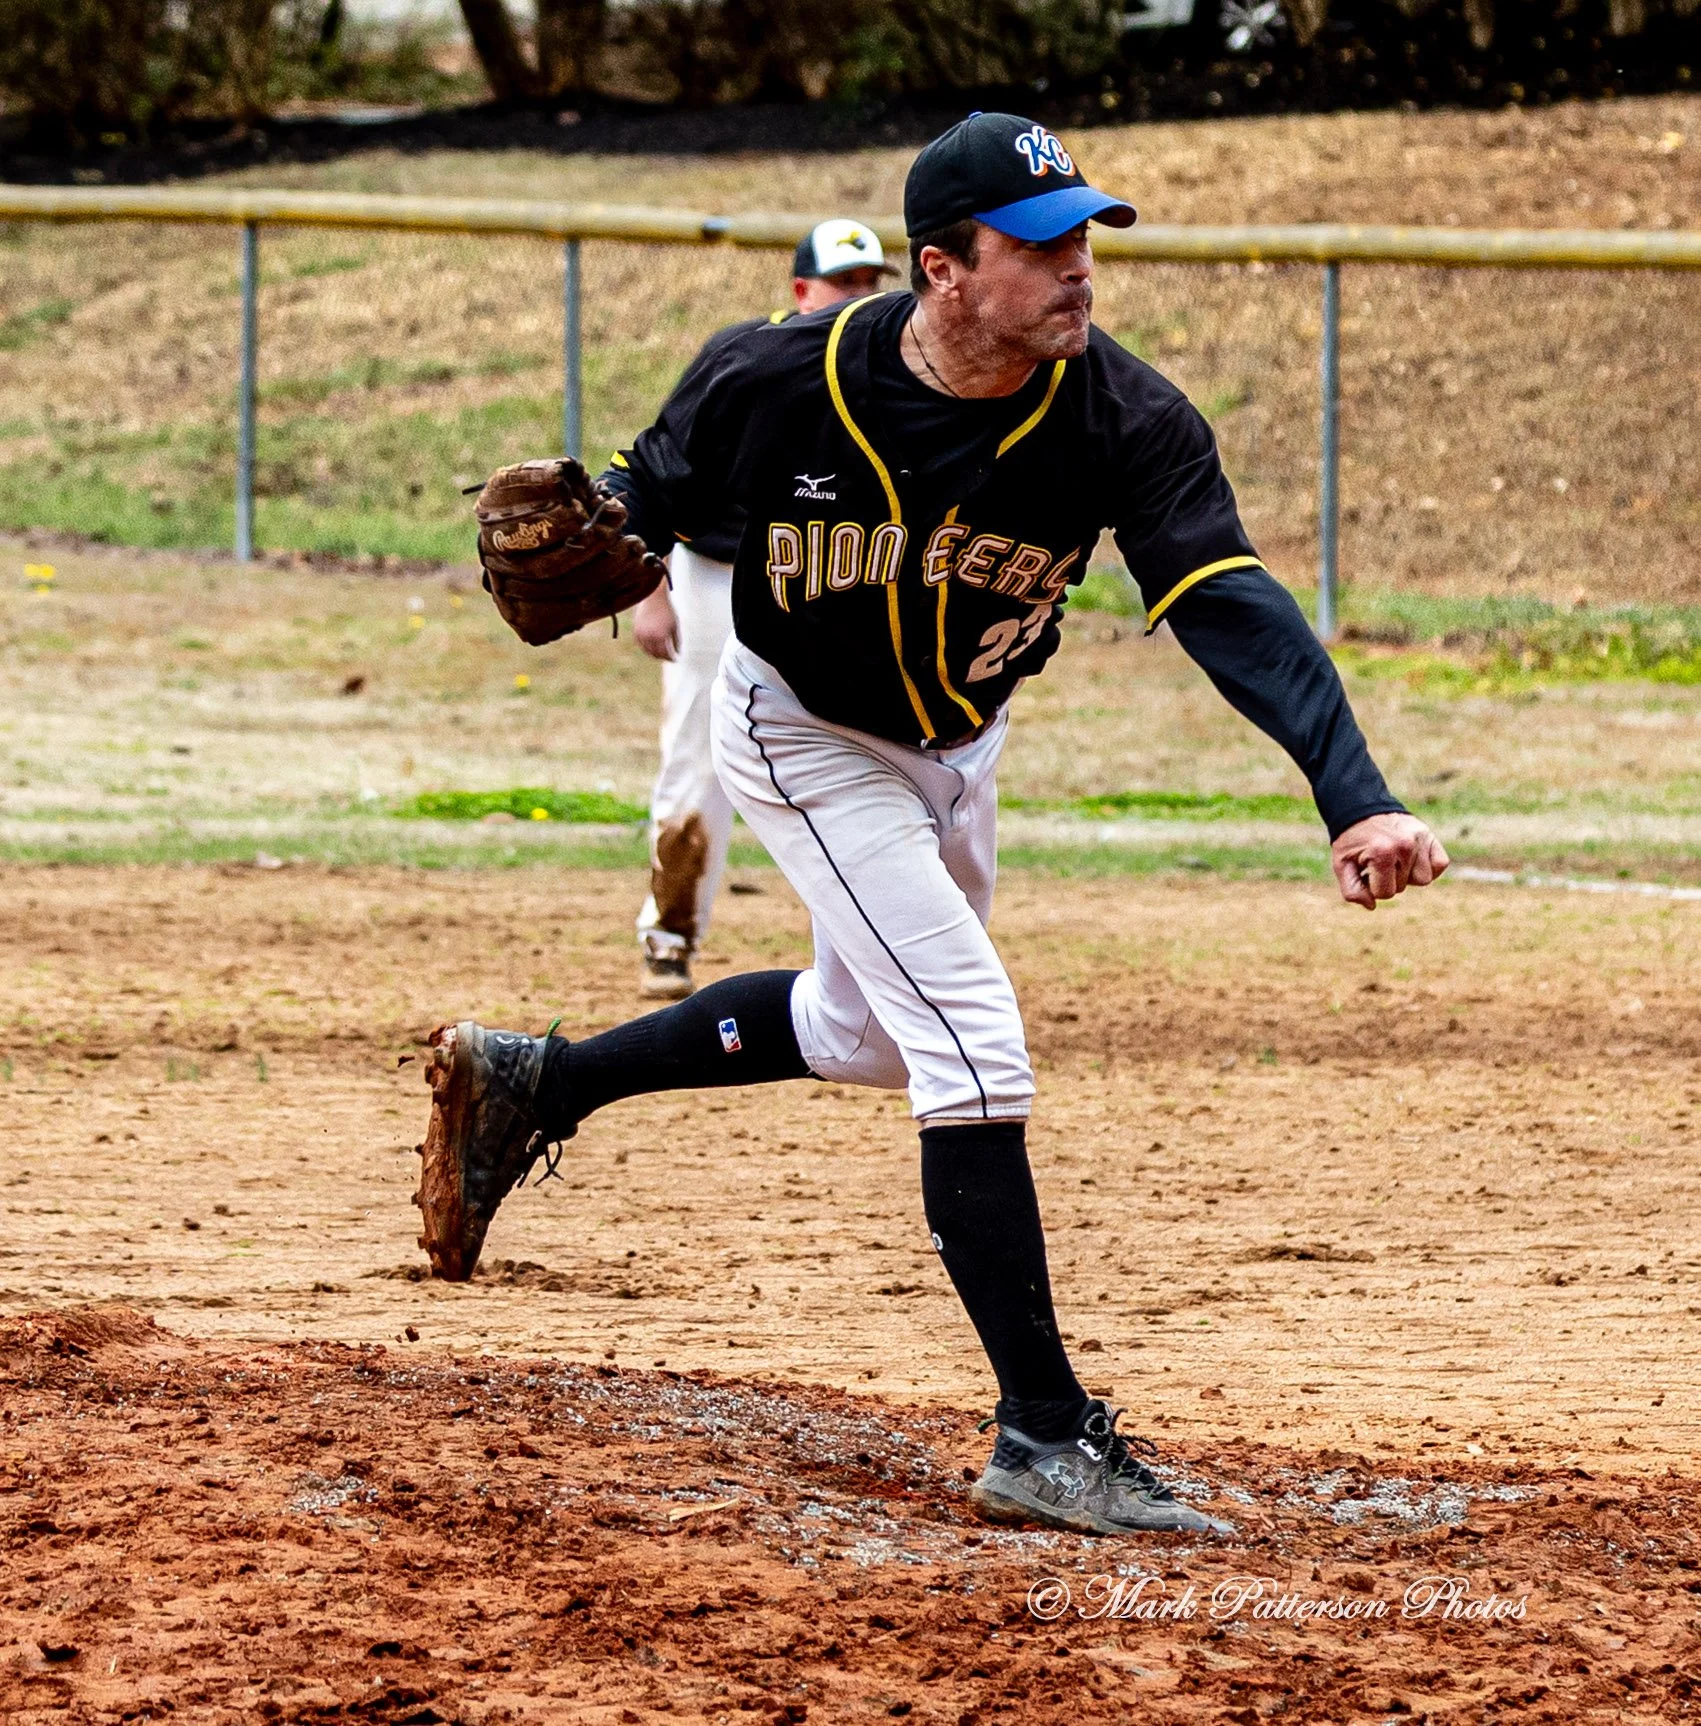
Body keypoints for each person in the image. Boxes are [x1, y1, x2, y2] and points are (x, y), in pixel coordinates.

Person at [412, 113, 1449, 1537]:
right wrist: (602, 536)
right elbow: (645, 497)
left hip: (963, 746)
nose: (1078, 270)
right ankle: (1042, 1431)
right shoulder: (775, 381)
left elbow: (1228, 604)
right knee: (970, 1036)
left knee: (867, 1032)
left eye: (1085, 237)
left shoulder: (1120, 419)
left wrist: (1357, 792)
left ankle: (544, 1079)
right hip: (803, 737)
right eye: (1041, 248)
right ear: (941, 269)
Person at [629, 219, 899, 999]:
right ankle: (669, 934)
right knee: (697, 759)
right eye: (843, 283)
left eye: (868, 283)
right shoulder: (746, 360)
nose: (858, 297)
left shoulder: (890, 372)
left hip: (830, 587)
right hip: (714, 577)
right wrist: (651, 590)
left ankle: (872, 949)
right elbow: (657, 475)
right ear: (800, 291)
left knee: (858, 757)